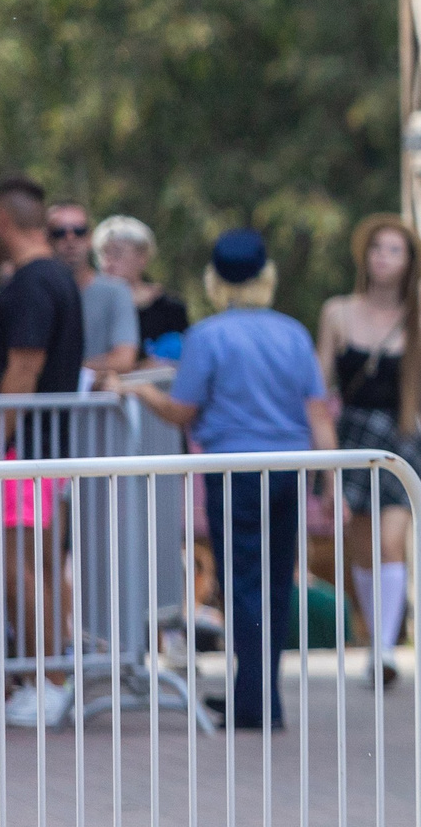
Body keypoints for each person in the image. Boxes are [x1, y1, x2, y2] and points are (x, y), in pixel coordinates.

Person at [112, 230, 334, 730]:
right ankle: (260, 695)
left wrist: (139, 391)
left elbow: (180, 410)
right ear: (266, 276)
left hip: (234, 471)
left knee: (241, 584)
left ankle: (254, 701)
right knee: (276, 583)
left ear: (215, 280)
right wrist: (332, 481)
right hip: (289, 471)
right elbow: (318, 416)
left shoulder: (209, 336)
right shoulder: (293, 333)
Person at [316, 216, 421, 688]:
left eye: (395, 250)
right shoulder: (337, 313)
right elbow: (319, 385)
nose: (383, 257)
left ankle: (384, 648)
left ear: (409, 264)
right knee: (362, 548)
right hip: (351, 438)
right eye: (377, 249)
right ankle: (374, 637)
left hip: (401, 441)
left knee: (391, 542)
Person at [0, 177, 88, 726]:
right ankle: (48, 679)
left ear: (3, 220)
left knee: (17, 566)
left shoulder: (31, 283)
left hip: (20, 448)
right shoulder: (57, 277)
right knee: (40, 566)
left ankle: (47, 681)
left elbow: (23, 369)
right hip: (39, 445)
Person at [48, 201, 138, 378]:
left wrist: (63, 371)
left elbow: (124, 359)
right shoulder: (38, 293)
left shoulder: (117, 291)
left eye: (79, 231)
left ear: (89, 238)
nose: (70, 239)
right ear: (47, 239)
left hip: (98, 403)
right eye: (60, 233)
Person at [91, 215, 190, 362]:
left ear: (142, 257)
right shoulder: (92, 305)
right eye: (103, 254)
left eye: (117, 253)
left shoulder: (170, 308)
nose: (108, 262)